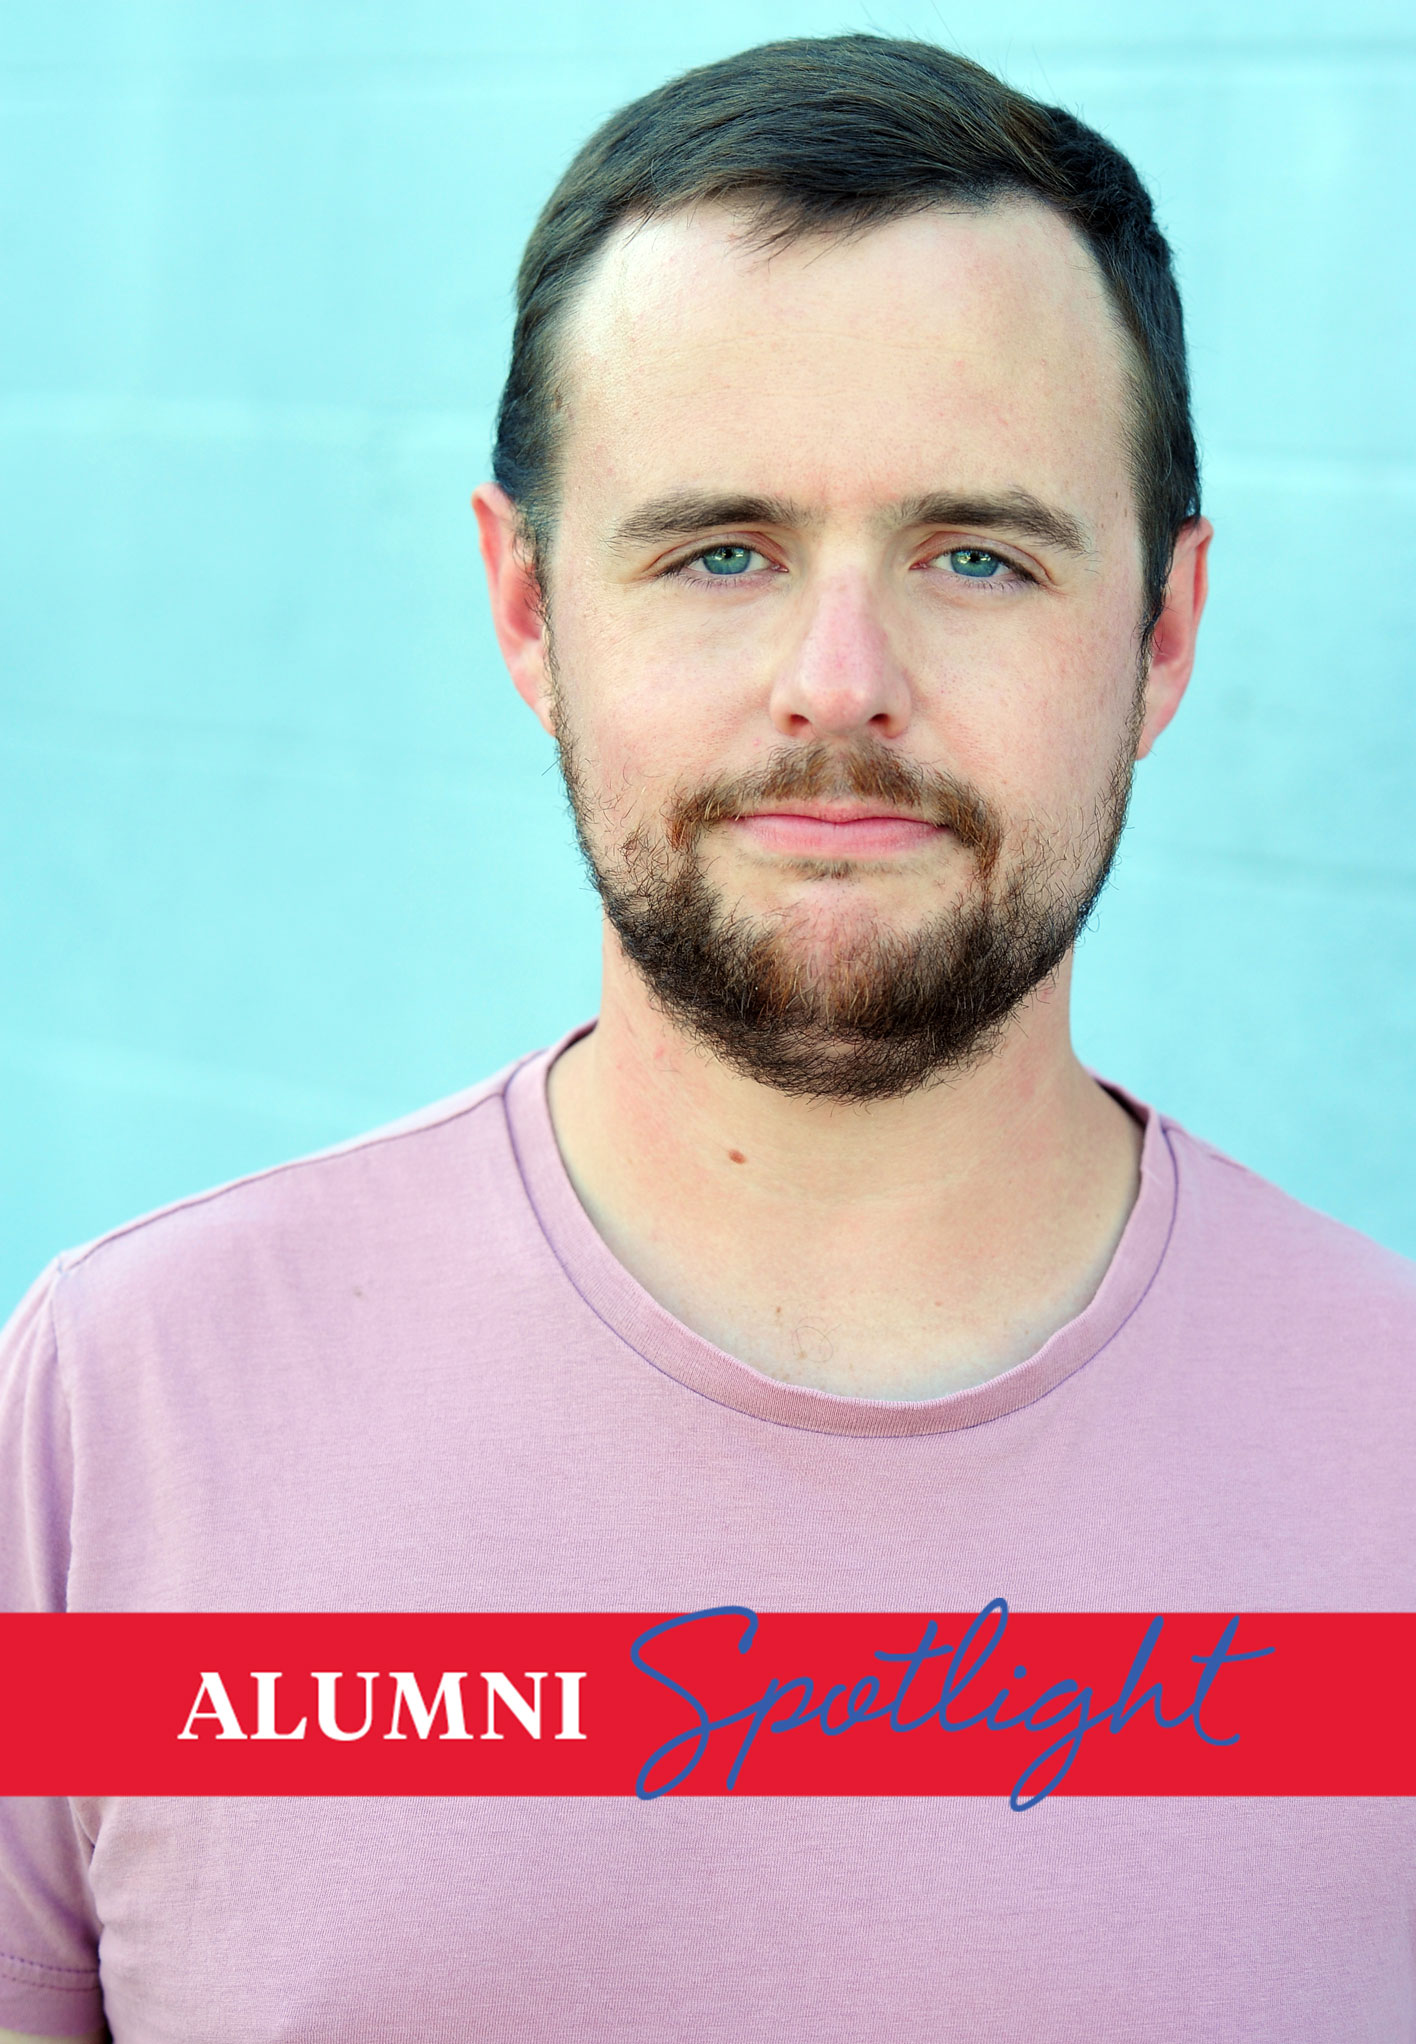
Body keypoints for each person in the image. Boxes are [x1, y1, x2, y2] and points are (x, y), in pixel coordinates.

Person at [1, 32, 1412, 2044]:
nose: (841, 686)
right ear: (523, 604)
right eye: (720, 550)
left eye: (979, 555)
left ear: (1166, 633)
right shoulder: (127, 1411)